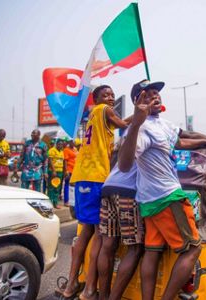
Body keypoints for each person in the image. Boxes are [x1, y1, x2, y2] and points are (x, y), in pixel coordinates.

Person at [118, 79, 206, 300]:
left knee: (152, 251)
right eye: (148, 95)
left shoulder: (162, 124)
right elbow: (125, 165)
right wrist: (135, 124)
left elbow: (181, 142)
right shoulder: (142, 129)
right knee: (193, 249)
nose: (156, 97)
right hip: (167, 197)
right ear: (138, 102)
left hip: (150, 201)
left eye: (157, 93)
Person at [58, 85, 131, 300]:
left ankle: (72, 284)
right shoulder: (103, 110)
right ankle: (89, 289)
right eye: (105, 94)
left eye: (112, 95)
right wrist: (142, 110)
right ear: (96, 98)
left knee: (86, 231)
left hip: (82, 177)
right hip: (95, 176)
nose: (110, 97)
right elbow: (126, 124)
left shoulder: (94, 117)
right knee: (100, 232)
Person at [97, 162, 143, 300]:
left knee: (107, 245)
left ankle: (103, 297)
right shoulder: (155, 140)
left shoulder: (128, 140)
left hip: (109, 186)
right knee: (134, 248)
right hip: (129, 190)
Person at [48, 139, 66, 208]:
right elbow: (50, 161)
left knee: (57, 188)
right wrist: (53, 171)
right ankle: (50, 203)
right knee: (51, 187)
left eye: (61, 144)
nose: (60, 146)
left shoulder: (62, 152)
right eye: (59, 144)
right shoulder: (52, 150)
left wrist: (64, 171)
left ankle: (55, 203)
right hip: (53, 172)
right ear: (56, 144)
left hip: (60, 172)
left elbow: (63, 162)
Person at [63, 139, 79, 206]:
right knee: (67, 185)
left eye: (74, 142)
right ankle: (66, 201)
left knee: (74, 186)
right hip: (69, 170)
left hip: (75, 170)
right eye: (72, 142)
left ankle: (72, 201)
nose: (73, 143)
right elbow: (65, 161)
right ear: (69, 143)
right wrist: (66, 170)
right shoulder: (66, 150)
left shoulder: (75, 149)